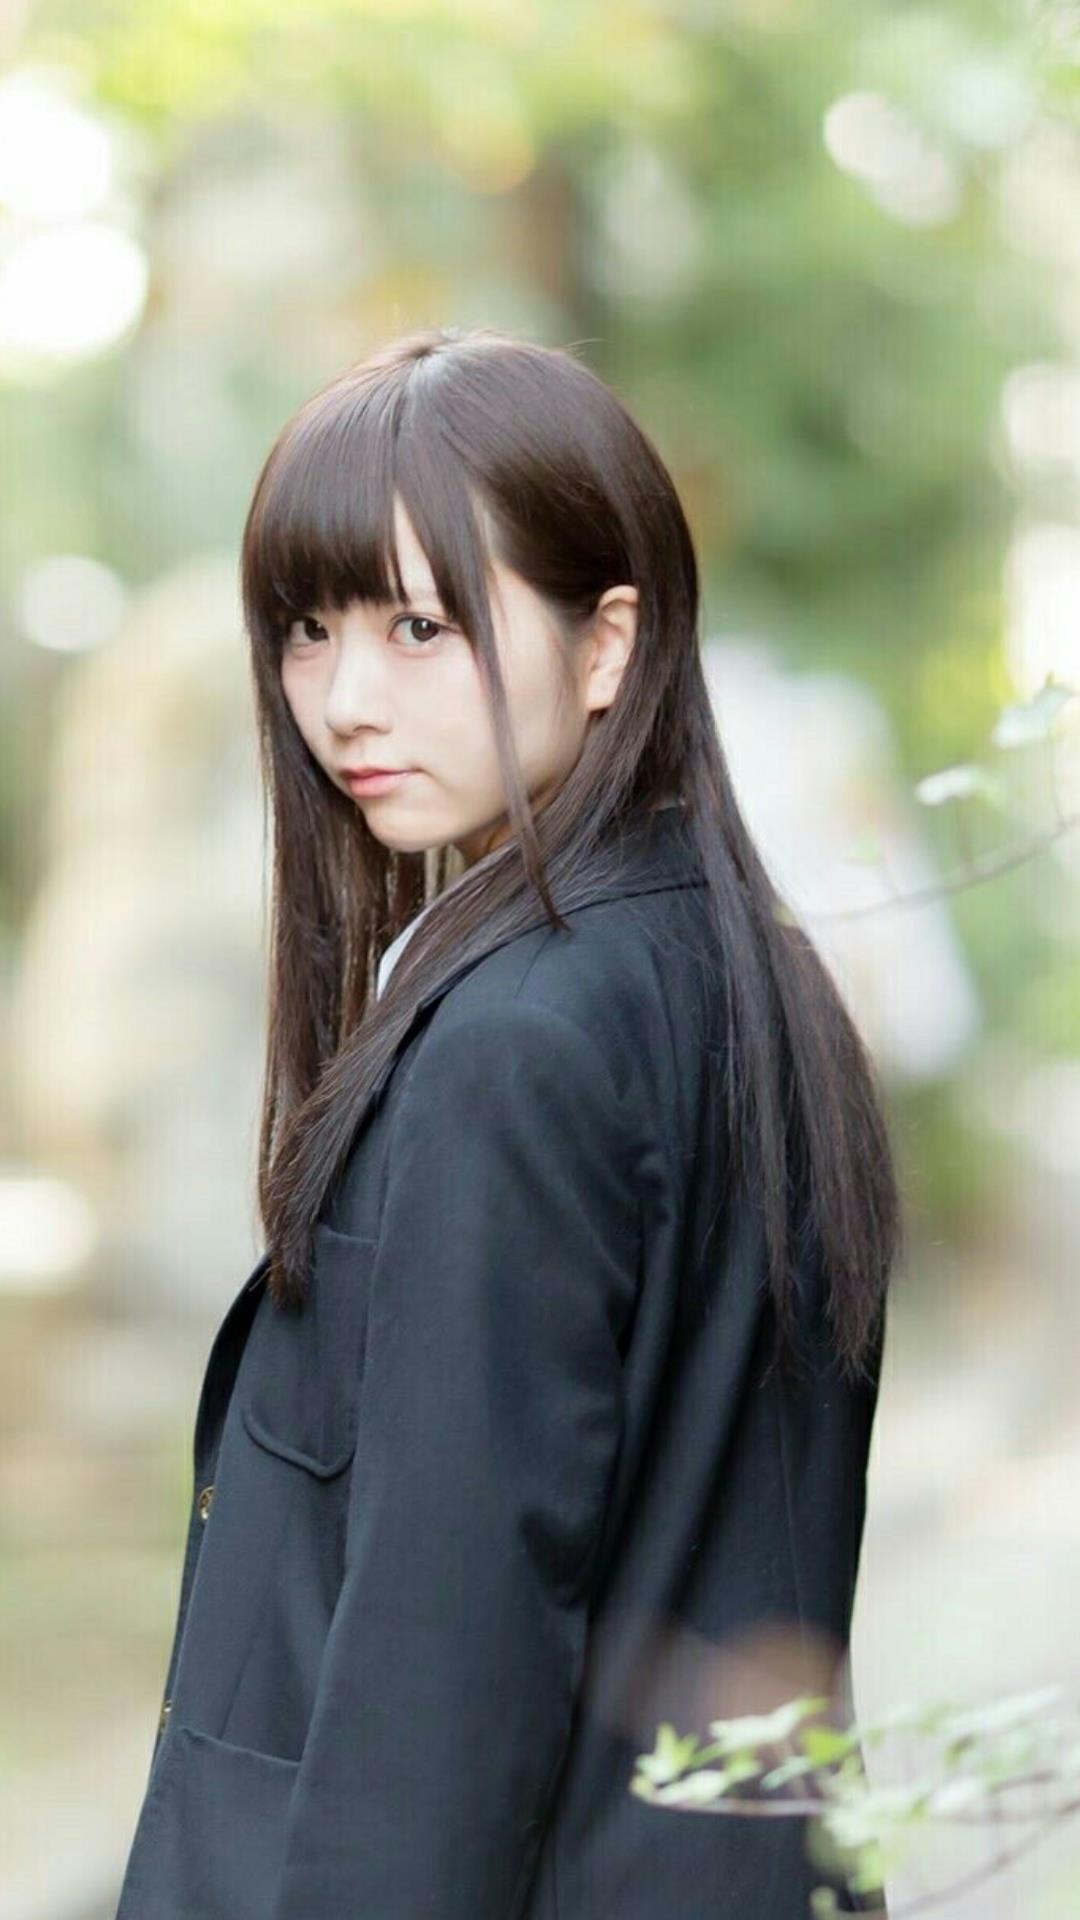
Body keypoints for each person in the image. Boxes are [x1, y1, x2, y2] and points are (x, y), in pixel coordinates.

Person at [114, 326, 899, 1920]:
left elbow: (442, 1676)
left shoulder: (517, 1045)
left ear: (607, 644)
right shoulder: (747, 976)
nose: (345, 701)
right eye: (308, 628)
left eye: (420, 625)